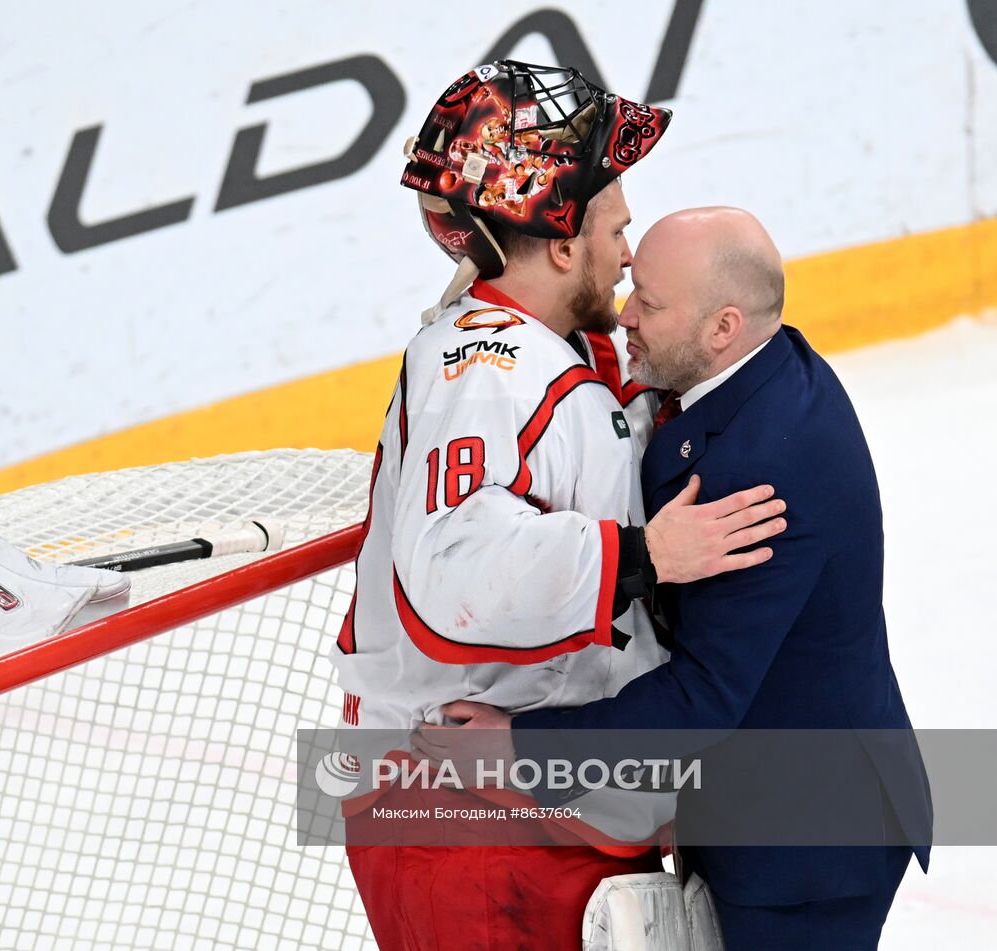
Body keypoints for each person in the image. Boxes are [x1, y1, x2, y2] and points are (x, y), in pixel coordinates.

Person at [331, 63, 786, 951]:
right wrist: (646, 556)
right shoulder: (486, 375)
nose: (628, 251)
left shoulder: (549, 346)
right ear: (564, 242)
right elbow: (454, 569)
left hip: (530, 806)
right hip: (468, 828)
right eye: (615, 227)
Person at [428, 207, 932, 950]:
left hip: (808, 848)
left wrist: (518, 745)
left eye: (650, 307)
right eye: (635, 288)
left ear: (723, 327)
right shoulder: (756, 368)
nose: (627, 315)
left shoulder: (760, 477)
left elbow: (702, 698)